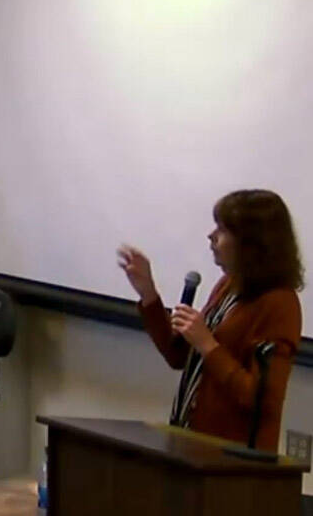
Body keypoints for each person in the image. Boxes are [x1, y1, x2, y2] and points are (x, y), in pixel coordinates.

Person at [117, 189, 303, 451]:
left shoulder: (280, 304)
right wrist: (149, 294)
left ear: (252, 244)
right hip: (190, 442)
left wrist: (208, 344)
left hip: (233, 463)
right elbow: (178, 356)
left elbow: (262, 400)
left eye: (223, 230)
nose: (211, 236)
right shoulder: (228, 285)